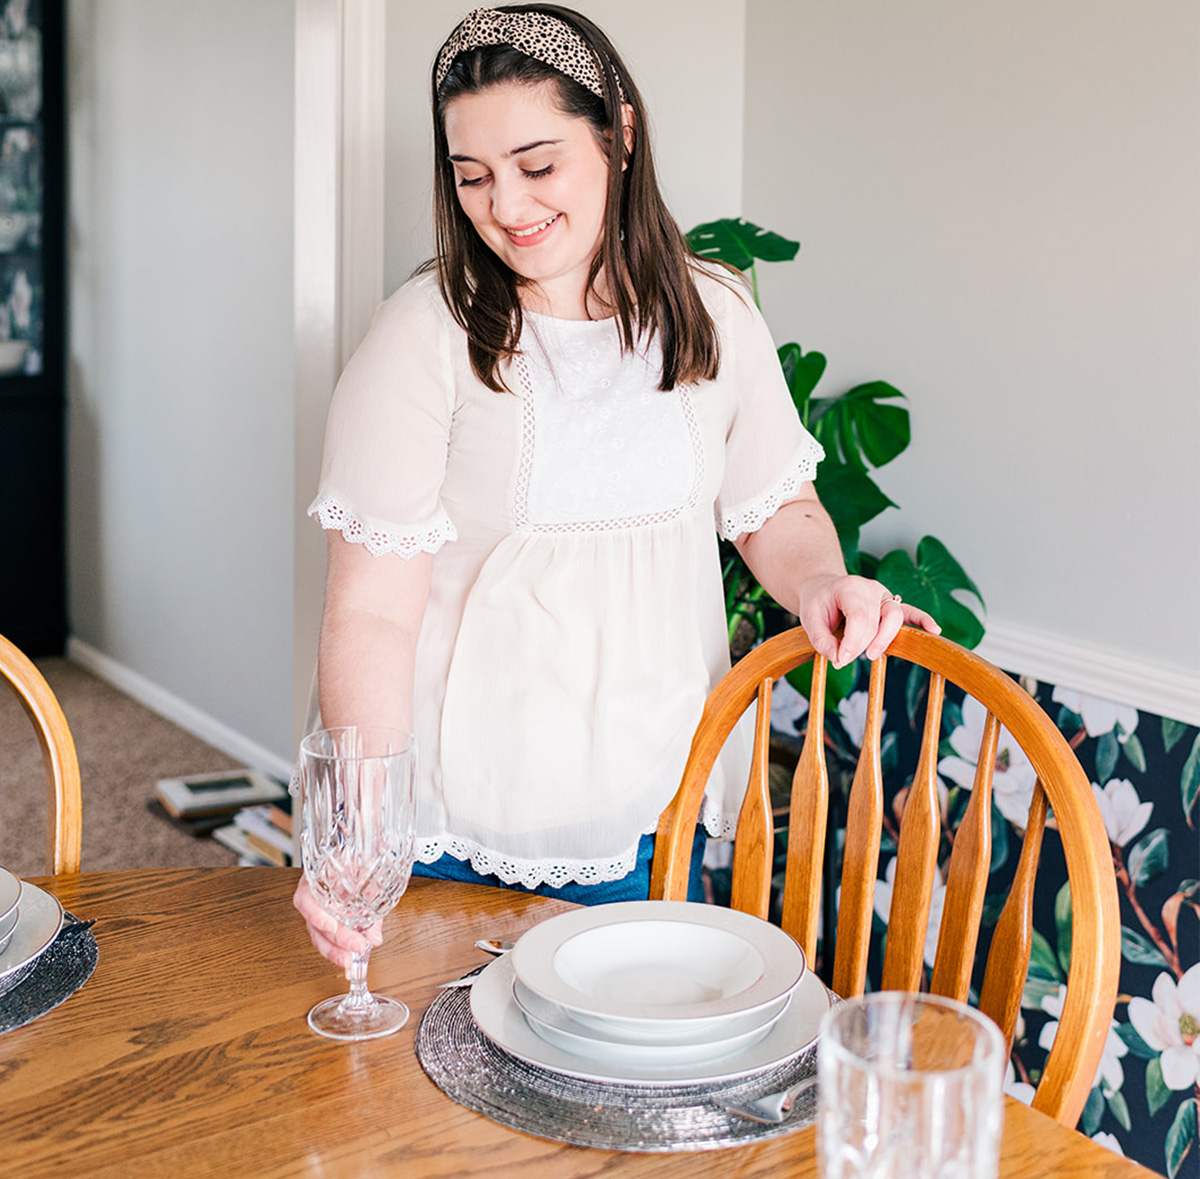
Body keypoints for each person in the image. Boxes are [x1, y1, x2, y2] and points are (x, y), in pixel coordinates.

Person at [295, 4, 939, 971]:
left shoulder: (714, 315)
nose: (506, 206)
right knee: (442, 1096)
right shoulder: (421, 337)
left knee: (606, 1092)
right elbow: (371, 617)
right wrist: (359, 830)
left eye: (537, 165)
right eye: (472, 177)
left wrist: (817, 584)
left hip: (647, 807)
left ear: (620, 134)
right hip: (451, 822)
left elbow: (777, 509)